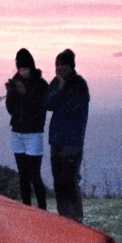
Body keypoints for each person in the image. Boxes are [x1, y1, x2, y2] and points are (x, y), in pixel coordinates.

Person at [43, 49, 89, 222]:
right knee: (58, 183)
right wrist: (60, 88)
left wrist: (60, 96)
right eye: (57, 65)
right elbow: (47, 104)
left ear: (71, 66)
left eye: (63, 64)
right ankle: (64, 220)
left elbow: (72, 109)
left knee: (70, 182)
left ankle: (76, 219)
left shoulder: (80, 84)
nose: (60, 68)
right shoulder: (56, 83)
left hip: (72, 141)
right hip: (56, 140)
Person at [4, 48, 49, 209]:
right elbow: (11, 109)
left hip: (34, 133)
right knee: (23, 175)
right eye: (20, 69)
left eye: (26, 69)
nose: (23, 72)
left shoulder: (42, 85)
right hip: (17, 132)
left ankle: (42, 208)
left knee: (34, 174)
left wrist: (24, 93)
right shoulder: (15, 83)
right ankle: (26, 209)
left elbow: (43, 106)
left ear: (32, 67)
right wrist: (12, 92)